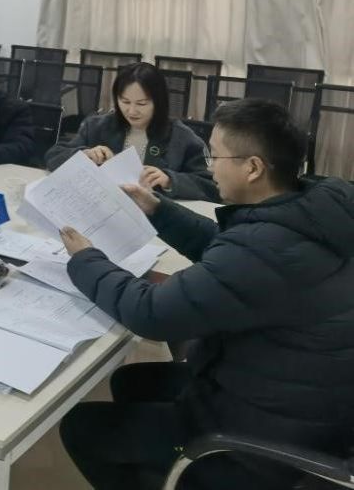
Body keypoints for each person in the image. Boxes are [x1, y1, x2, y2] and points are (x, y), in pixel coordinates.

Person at [58, 99, 354, 490]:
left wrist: (86, 260)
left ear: (253, 167)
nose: (209, 167)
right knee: (131, 381)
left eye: (214, 156)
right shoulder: (313, 207)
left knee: (81, 427)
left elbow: (150, 313)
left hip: (260, 440)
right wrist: (159, 210)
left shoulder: (265, 248)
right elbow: (231, 251)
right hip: (296, 398)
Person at [46, 62, 217, 201]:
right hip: (100, 207)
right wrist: (85, 155)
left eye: (141, 104)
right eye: (125, 102)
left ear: (159, 102)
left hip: (154, 217)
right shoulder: (97, 126)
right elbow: (53, 156)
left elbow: (211, 186)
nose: (132, 111)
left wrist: (170, 181)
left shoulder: (181, 137)